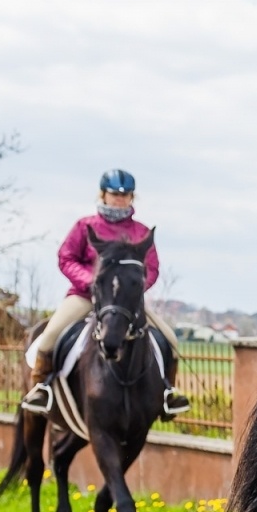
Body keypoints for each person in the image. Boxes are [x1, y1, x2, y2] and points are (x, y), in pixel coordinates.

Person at [21, 169, 192, 419]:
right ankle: (41, 388)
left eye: (125, 195)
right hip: (84, 295)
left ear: (132, 198)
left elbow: (152, 268)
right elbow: (66, 257)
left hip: (124, 302)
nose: (120, 199)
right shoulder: (84, 226)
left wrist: (129, 291)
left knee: (171, 340)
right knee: (49, 337)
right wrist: (91, 281)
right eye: (114, 194)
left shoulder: (141, 233)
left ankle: (168, 394)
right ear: (103, 195)